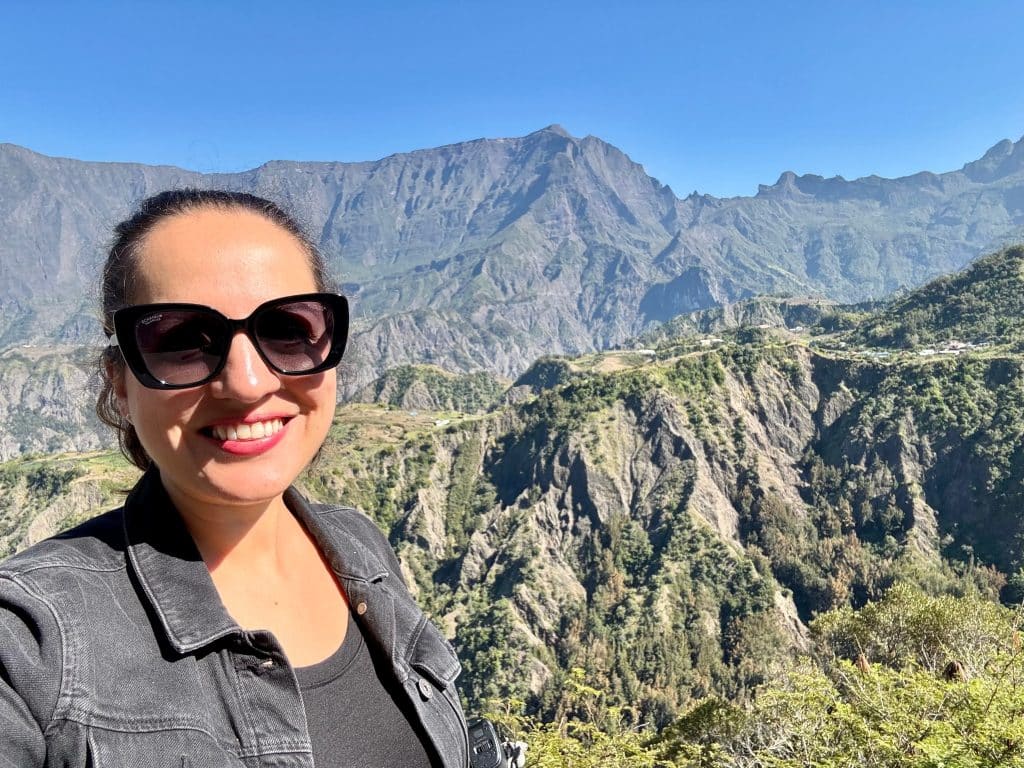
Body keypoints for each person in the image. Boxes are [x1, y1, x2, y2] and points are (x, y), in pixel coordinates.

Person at [0, 189, 470, 767]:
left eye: (287, 330)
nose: (247, 383)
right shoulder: (29, 645)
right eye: (182, 340)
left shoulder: (360, 547)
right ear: (119, 382)